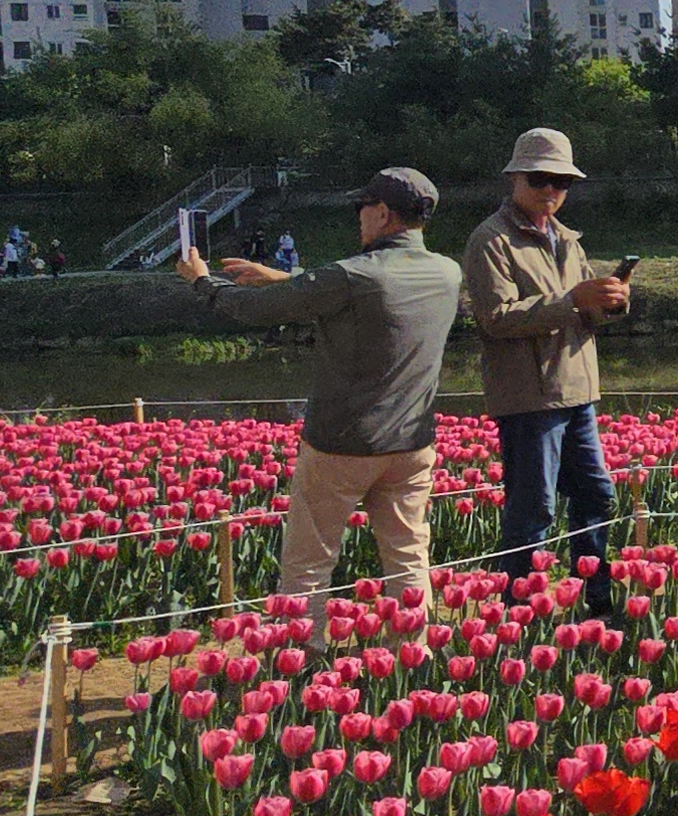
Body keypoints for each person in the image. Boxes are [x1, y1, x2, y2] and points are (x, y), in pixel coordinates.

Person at [178, 169, 464, 606]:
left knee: (308, 564)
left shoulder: (351, 276)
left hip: (342, 444)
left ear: (382, 213)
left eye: (361, 207)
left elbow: (256, 309)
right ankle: (412, 641)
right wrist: (281, 277)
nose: (358, 217)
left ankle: (303, 643)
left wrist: (202, 281)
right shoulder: (447, 272)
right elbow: (362, 291)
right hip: (412, 443)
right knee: (408, 559)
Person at [462, 129, 636, 600]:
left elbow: (585, 311)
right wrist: (572, 300)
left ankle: (595, 597)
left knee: (597, 495)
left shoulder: (568, 240)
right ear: (515, 178)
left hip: (578, 389)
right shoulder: (491, 240)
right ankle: (519, 607)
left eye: (562, 182)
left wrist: (610, 300)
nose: (551, 190)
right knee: (533, 508)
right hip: (528, 397)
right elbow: (496, 318)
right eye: (540, 179)